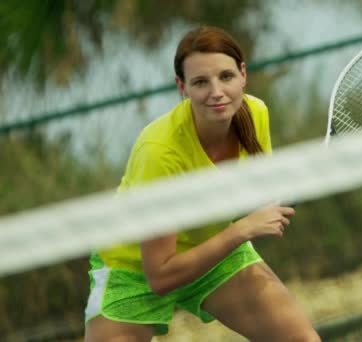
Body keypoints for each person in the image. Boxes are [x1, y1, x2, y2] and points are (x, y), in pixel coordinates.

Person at [84, 25, 321, 342]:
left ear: (243, 74)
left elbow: (255, 197)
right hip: (135, 269)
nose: (216, 92)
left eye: (226, 76)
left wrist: (266, 204)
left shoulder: (256, 114)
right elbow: (161, 275)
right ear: (182, 87)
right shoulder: (159, 152)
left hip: (215, 251)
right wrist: (243, 229)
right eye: (200, 82)